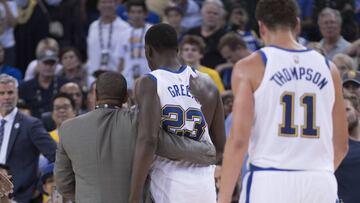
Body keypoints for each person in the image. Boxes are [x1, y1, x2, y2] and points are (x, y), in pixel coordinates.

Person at [218, 0, 348, 203]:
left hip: (270, 180)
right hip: (320, 180)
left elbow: (238, 141)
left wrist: (223, 199)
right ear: (297, 24)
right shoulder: (329, 68)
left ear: (261, 26)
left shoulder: (250, 66)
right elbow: (340, 145)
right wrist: (317, 175)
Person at [55, 71, 217, 202]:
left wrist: (87, 197)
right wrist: (209, 151)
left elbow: (63, 183)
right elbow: (177, 147)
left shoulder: (68, 128)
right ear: (126, 97)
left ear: (95, 95)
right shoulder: (139, 122)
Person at [129, 23, 225, 203]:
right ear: (178, 49)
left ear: (148, 51)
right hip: (205, 184)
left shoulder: (149, 82)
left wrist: (134, 195)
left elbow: (148, 140)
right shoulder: (208, 83)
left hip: (169, 182)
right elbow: (220, 148)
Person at [0, 74, 57, 202]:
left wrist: (38, 188)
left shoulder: (31, 124)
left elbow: (56, 155)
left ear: (17, 93)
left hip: (20, 197)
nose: (6, 97)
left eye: (10, 92)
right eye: (1, 93)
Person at [19, 49, 68, 118]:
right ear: (38, 64)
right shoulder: (25, 88)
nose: (48, 67)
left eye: (52, 63)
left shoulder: (64, 84)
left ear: (56, 65)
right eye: (45, 63)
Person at [335, 92, 360, 203]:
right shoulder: (333, 147)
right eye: (340, 111)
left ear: (358, 112)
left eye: (347, 110)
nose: (343, 115)